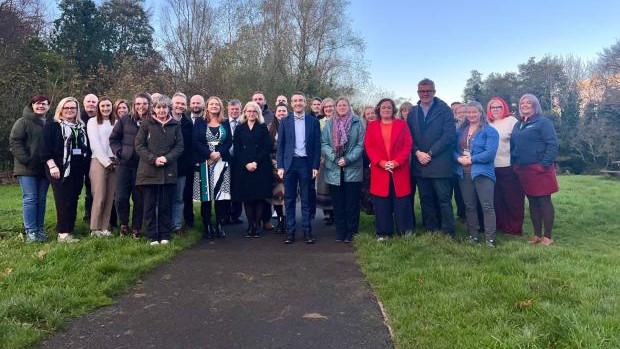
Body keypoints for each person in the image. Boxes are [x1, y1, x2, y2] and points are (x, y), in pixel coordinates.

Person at [407, 78, 455, 237]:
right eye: (422, 91)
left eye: (428, 90)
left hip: (439, 162)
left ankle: (448, 230)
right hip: (419, 162)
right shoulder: (413, 112)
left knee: (443, 199)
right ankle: (431, 228)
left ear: (434, 91)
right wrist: (417, 152)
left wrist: (431, 153)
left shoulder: (444, 109)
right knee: (425, 198)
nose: (425, 93)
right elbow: (408, 137)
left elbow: (449, 135)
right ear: (418, 92)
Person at [135, 94, 183, 245]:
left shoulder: (175, 125)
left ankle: (164, 235)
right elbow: (139, 145)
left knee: (165, 205)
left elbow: (179, 146)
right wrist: (153, 159)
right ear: (154, 109)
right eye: (158, 107)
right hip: (149, 171)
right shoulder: (146, 124)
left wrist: (167, 158)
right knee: (149, 205)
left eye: (164, 107)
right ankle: (151, 235)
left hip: (168, 170)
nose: (161, 110)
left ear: (169, 108)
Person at [511, 94, 559, 245]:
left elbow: (553, 144)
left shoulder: (543, 122)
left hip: (540, 169)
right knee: (532, 201)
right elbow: (513, 144)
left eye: (529, 103)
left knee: (544, 201)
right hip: (523, 169)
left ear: (535, 105)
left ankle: (548, 237)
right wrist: (515, 162)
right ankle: (537, 235)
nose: (525, 105)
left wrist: (544, 164)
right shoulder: (518, 124)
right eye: (522, 102)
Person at [41, 97, 89, 243]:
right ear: (60, 109)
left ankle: (70, 228)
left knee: (74, 198)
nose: (69, 110)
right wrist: (52, 166)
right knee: (63, 200)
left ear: (77, 110)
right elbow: (44, 149)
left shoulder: (81, 127)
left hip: (77, 169)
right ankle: (63, 233)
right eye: (66, 108)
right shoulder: (52, 126)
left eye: (72, 108)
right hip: (58, 169)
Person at [364, 98, 413, 240]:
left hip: (399, 169)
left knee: (402, 201)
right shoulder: (372, 126)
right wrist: (381, 162)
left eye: (389, 107)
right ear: (379, 109)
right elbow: (369, 146)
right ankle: (384, 233)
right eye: (383, 107)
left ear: (393, 110)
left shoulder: (402, 124)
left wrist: (397, 162)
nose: (386, 109)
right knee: (381, 203)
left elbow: (407, 145)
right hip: (380, 169)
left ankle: (405, 232)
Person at [277, 92, 321, 244]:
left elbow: (317, 146)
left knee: (306, 199)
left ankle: (307, 231)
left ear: (305, 102)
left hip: (306, 164)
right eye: (295, 101)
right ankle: (290, 232)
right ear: (291, 103)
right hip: (289, 164)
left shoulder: (313, 122)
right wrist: (280, 165)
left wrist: (315, 165)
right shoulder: (285, 121)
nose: (298, 103)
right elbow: (280, 146)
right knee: (289, 199)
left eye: (300, 100)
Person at [455, 102, 499, 247]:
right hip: (464, 173)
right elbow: (453, 149)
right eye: (469, 112)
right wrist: (458, 158)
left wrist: (472, 159)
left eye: (475, 112)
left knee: (487, 206)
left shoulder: (489, 131)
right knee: (469, 206)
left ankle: (490, 239)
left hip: (483, 173)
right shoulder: (460, 130)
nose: (471, 115)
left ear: (481, 113)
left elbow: (490, 153)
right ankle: (473, 236)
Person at [320, 97, 365, 242]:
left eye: (344, 105)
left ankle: (351, 232)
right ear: (335, 107)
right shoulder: (329, 124)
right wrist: (334, 158)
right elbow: (324, 143)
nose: (341, 107)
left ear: (349, 106)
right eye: (339, 105)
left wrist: (347, 159)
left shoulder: (358, 122)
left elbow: (361, 144)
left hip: (352, 169)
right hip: (334, 169)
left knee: (352, 203)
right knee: (338, 204)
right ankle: (340, 232)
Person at [9, 94, 51, 242]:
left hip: (44, 168)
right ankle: (31, 231)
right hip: (26, 168)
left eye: (44, 104)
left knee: (41, 199)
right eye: (38, 104)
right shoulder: (23, 122)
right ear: (32, 105)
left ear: (49, 106)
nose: (41, 106)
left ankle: (39, 229)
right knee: (31, 198)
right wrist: (27, 160)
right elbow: (15, 142)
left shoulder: (48, 123)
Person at [110, 93, 150, 238]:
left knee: (139, 199)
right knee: (120, 197)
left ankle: (137, 228)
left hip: (143, 166)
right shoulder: (125, 120)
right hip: (124, 165)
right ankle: (124, 224)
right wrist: (119, 152)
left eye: (144, 103)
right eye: (138, 103)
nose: (141, 106)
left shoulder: (152, 121)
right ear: (134, 105)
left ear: (149, 104)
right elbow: (113, 138)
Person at [193, 96, 232, 239]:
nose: (214, 106)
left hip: (222, 162)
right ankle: (207, 225)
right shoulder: (199, 122)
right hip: (204, 162)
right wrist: (209, 154)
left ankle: (220, 224)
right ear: (207, 106)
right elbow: (195, 141)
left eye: (217, 104)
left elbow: (229, 142)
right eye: (212, 104)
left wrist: (219, 153)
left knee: (221, 196)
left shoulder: (225, 122)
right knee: (206, 196)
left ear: (220, 107)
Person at [232, 102, 273, 237]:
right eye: (249, 111)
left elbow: (266, 147)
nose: (251, 114)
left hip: (260, 166)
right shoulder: (240, 128)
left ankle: (257, 225)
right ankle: (250, 225)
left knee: (259, 197)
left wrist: (255, 162)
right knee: (247, 198)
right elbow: (237, 149)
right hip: (244, 167)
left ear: (258, 113)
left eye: (254, 111)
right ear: (245, 112)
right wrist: (246, 163)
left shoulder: (262, 128)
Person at [487, 96, 524, 236]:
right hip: (490, 167)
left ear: (504, 108)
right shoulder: (487, 123)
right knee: (497, 199)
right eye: (492, 107)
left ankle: (514, 228)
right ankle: (501, 225)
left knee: (512, 199)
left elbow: (518, 143)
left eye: (499, 107)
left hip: (508, 166)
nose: (495, 109)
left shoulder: (511, 121)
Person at [87, 97, 117, 237]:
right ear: (99, 107)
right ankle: (95, 228)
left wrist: (115, 160)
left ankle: (105, 226)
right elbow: (95, 144)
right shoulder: (92, 122)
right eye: (103, 106)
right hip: (99, 160)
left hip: (115, 161)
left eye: (108, 105)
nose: (105, 108)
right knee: (99, 195)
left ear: (112, 107)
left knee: (110, 195)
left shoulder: (116, 122)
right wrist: (107, 162)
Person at [170, 92, 193, 235]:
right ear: (172, 104)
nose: (180, 106)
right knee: (165, 198)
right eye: (177, 103)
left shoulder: (187, 123)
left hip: (182, 167)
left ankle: (177, 226)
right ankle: (164, 225)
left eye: (183, 104)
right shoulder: (163, 119)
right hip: (165, 166)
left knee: (179, 198)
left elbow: (190, 146)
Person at [268, 103, 288, 233]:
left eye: (284, 111)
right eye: (279, 111)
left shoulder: (292, 126)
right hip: (274, 166)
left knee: (289, 195)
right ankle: (280, 219)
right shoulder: (270, 127)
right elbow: (267, 148)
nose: (281, 113)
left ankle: (288, 220)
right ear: (275, 113)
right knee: (278, 195)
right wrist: (275, 163)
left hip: (290, 165)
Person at [316, 98, 335, 225]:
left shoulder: (339, 121)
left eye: (330, 106)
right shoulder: (319, 123)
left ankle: (337, 212)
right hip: (323, 157)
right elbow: (316, 140)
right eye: (326, 107)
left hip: (337, 157)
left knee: (336, 185)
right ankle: (328, 213)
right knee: (324, 185)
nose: (328, 109)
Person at [226, 99, 244, 225]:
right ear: (228, 110)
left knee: (238, 186)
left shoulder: (244, 123)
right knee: (226, 186)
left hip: (239, 160)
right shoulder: (223, 122)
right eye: (232, 109)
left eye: (237, 109)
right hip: (226, 158)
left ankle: (236, 214)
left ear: (240, 110)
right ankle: (225, 214)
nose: (234, 111)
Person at [80, 93, 98, 223]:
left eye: (93, 102)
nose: (91, 104)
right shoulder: (78, 118)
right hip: (80, 159)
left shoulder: (101, 118)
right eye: (89, 101)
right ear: (84, 103)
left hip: (96, 158)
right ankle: (87, 216)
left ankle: (93, 215)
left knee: (93, 188)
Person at [360, 106, 376, 215]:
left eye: (372, 113)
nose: (370, 115)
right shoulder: (362, 129)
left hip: (380, 163)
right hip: (366, 164)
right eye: (368, 114)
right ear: (364, 116)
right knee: (367, 191)